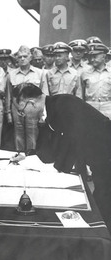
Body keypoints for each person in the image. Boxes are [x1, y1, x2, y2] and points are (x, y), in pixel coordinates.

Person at [13, 82, 111, 231]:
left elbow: (72, 141)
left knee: (103, 203)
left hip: (106, 154)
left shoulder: (64, 105)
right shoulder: (53, 107)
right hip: (99, 156)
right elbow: (50, 145)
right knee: (100, 202)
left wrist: (58, 170)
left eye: (22, 111)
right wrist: (27, 157)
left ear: (31, 103)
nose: (23, 116)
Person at [6, 45, 49, 153]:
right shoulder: (11, 75)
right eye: (20, 57)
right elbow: (9, 95)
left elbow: (44, 94)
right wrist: (8, 113)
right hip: (17, 107)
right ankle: (19, 159)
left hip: (34, 108)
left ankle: (31, 159)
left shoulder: (40, 73)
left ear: (30, 58)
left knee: (33, 135)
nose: (22, 59)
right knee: (18, 135)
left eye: (25, 56)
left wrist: (43, 114)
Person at [77, 42, 111, 119]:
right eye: (91, 57)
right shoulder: (84, 73)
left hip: (108, 107)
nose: (92, 60)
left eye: (95, 57)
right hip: (90, 107)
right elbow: (80, 95)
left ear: (103, 56)